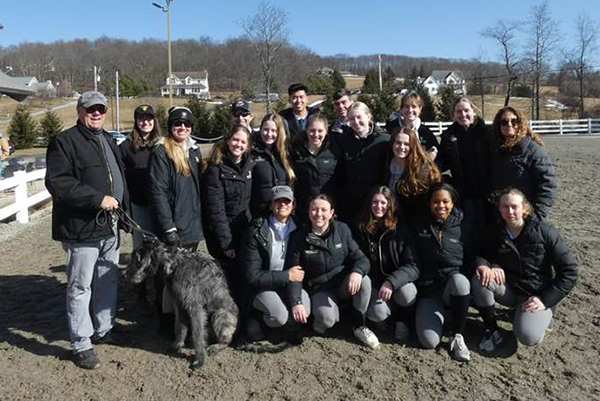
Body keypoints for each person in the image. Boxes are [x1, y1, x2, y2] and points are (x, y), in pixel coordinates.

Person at [45, 91, 129, 370]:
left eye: (101, 109)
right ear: (80, 111)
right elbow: (58, 182)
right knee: (80, 286)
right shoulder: (64, 142)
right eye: (91, 109)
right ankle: (81, 342)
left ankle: (104, 328)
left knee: (108, 279)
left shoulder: (107, 139)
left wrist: (123, 209)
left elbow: (118, 176)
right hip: (81, 228)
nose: (96, 113)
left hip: (110, 226)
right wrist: (97, 199)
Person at [471, 188, 578, 352]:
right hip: (510, 290)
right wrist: (487, 264)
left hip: (536, 294)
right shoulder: (495, 231)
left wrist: (545, 299)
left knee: (528, 337)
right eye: (505, 207)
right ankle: (492, 329)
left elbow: (569, 271)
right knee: (480, 278)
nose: (510, 211)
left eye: (514, 206)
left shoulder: (545, 232)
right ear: (499, 209)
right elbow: (482, 253)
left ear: (525, 208)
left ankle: (546, 314)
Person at [285, 194, 380, 349]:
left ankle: (359, 326)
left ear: (331, 213)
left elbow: (361, 259)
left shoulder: (342, 229)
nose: (319, 214)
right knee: (327, 321)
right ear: (308, 212)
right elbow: (294, 273)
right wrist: (296, 302)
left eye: (324, 210)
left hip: (342, 284)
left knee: (364, 280)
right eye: (314, 209)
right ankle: (319, 322)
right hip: (319, 288)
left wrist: (357, 271)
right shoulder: (299, 237)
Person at [412, 182, 471, 362]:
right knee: (429, 342)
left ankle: (457, 335)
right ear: (429, 203)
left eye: (445, 202)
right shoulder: (418, 224)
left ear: (453, 203)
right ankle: (442, 315)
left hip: (452, 285)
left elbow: (473, 255)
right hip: (428, 289)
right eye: (436, 202)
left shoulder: (463, 226)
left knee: (460, 281)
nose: (441, 206)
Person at [355, 186, 419, 341]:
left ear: (390, 204)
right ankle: (383, 318)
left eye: (383, 203)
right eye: (375, 202)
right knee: (377, 313)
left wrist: (392, 282)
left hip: (396, 284)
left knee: (408, 293)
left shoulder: (401, 229)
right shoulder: (361, 227)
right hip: (375, 285)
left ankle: (402, 320)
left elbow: (413, 266)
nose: (379, 206)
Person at [243, 185, 305, 342]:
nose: (282, 205)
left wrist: (296, 302)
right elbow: (252, 276)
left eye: (287, 201)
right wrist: (286, 275)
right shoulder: (257, 231)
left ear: (293, 205)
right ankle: (255, 318)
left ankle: (289, 322)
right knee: (278, 317)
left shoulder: (299, 230)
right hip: (260, 286)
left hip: (286, 282)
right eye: (278, 201)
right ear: (271, 205)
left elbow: (297, 271)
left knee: (305, 308)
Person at [439, 97, 492, 272]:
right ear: (453, 114)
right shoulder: (448, 135)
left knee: (488, 231)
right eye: (459, 111)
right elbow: (441, 163)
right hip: (464, 195)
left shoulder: (487, 132)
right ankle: (470, 268)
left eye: (466, 110)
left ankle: (488, 265)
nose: (463, 114)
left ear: (473, 111)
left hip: (487, 194)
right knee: (467, 233)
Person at [202, 125, 255, 299]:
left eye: (242, 142)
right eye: (235, 140)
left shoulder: (250, 165)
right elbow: (215, 210)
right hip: (225, 236)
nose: (238, 144)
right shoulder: (215, 169)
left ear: (247, 146)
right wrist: (227, 243)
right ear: (228, 141)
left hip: (244, 232)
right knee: (228, 283)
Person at [119, 104, 162, 314]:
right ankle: (141, 291)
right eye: (141, 118)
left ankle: (160, 290)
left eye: (149, 118)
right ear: (136, 121)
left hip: (161, 206)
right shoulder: (126, 147)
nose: (145, 122)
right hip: (139, 205)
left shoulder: (162, 145)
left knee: (161, 248)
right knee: (140, 249)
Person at [148, 106, 203, 252]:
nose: (182, 127)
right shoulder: (161, 151)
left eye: (187, 124)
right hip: (173, 227)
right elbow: (158, 192)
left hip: (192, 227)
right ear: (170, 125)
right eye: (177, 123)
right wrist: (168, 228)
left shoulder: (194, 150)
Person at [490, 106, 556, 220]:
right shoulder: (495, 150)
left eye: (514, 121)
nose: (509, 125)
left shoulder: (533, 151)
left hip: (524, 215)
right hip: (501, 214)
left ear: (521, 124)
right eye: (504, 122)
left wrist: (537, 216)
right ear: (499, 125)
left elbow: (547, 185)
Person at [336, 102, 389, 223]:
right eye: (352, 119)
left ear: (368, 116)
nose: (356, 121)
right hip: (351, 203)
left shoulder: (384, 140)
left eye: (359, 117)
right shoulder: (343, 141)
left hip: (375, 204)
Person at [291, 113, 340, 224]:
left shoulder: (334, 151)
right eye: (312, 130)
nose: (316, 134)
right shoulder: (297, 152)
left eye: (320, 131)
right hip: (305, 211)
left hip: (328, 212)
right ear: (306, 130)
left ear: (326, 131)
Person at [385, 126, 442, 222]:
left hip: (415, 221)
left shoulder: (423, 168)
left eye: (406, 144)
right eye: (398, 143)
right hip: (390, 219)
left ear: (413, 145)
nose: (401, 147)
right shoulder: (386, 164)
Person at [250, 114, 295, 217]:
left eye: (274, 130)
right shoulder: (252, 152)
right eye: (266, 129)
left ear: (279, 132)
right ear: (260, 130)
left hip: (283, 213)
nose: (269, 134)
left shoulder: (286, 153)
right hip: (259, 213)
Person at [386, 91, 440, 162]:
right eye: (406, 106)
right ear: (401, 109)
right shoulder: (391, 130)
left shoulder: (427, 134)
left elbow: (438, 161)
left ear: (420, 109)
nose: (410, 110)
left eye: (414, 106)